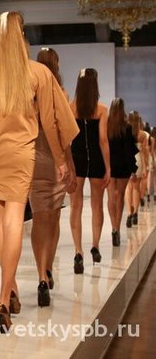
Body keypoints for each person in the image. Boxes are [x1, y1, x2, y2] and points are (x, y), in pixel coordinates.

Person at [0, 11, 70, 333]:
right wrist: (60, 159)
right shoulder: (38, 72)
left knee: (0, 224)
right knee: (13, 221)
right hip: (22, 154)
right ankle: (4, 295)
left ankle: (9, 288)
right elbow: (50, 122)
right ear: (22, 36)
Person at [29, 48, 78, 307]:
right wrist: (69, 165)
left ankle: (41, 275)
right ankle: (48, 269)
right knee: (54, 218)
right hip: (56, 159)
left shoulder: (28, 95)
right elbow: (64, 135)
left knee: (39, 218)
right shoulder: (61, 94)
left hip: (33, 159)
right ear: (56, 66)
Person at [68, 68, 110, 272]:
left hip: (76, 159)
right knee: (97, 205)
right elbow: (102, 140)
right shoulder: (101, 109)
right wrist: (108, 167)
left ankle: (78, 251)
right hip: (95, 160)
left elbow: (67, 139)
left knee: (75, 206)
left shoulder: (70, 108)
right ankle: (95, 245)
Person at [107, 98, 138, 245]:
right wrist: (133, 169)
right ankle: (117, 228)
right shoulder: (127, 127)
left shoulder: (106, 126)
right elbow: (129, 151)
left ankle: (113, 227)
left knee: (110, 197)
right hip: (123, 167)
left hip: (109, 166)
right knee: (119, 196)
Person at [125, 111, 149, 227]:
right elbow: (144, 152)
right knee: (136, 188)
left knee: (128, 187)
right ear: (139, 121)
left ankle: (128, 214)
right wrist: (144, 167)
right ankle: (135, 214)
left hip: (127, 160)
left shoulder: (125, 132)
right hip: (138, 161)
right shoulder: (143, 135)